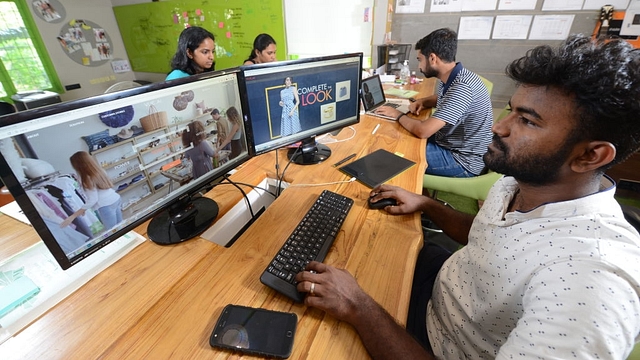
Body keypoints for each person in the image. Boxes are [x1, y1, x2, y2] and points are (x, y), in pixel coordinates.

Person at [294, 34, 640, 359]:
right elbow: (489, 233)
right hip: (445, 287)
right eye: (511, 110)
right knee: (348, 239)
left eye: (528, 121)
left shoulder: (591, 285)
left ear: (590, 156)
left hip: (436, 342)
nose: (498, 127)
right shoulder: (518, 185)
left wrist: (358, 306)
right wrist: (428, 204)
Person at [375, 28, 493, 178]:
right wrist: (423, 101)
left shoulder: (462, 87)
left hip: (462, 160)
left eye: (419, 60)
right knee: (399, 137)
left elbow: (423, 131)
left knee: (392, 151)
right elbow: (445, 98)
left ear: (432, 58)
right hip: (453, 144)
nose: (419, 67)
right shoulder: (458, 76)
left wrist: (397, 114)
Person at [60, 151, 122, 230]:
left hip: (105, 205)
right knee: (120, 226)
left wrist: (73, 216)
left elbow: (93, 199)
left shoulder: (86, 178)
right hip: (115, 198)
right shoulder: (99, 171)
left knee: (113, 231)